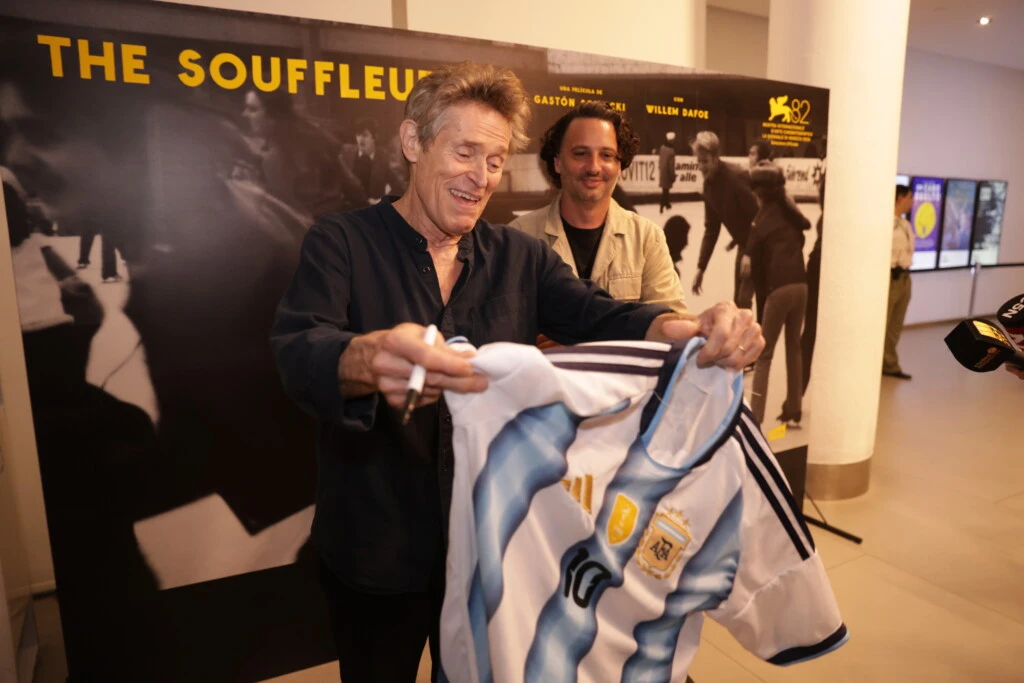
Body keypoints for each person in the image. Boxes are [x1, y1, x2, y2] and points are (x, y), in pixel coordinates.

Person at [269, 62, 763, 683]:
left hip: (494, 550)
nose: (481, 178)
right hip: (379, 551)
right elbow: (299, 349)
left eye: (496, 160)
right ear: (413, 142)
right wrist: (364, 358)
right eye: (465, 153)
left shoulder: (520, 257)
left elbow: (602, 314)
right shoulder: (340, 243)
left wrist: (690, 329)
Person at [510, 102, 686, 314]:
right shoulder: (519, 236)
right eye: (580, 153)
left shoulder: (647, 238)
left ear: (620, 165)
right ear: (557, 162)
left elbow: (671, 321)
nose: (593, 167)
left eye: (607, 155)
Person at [741, 161, 810, 427]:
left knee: (764, 354)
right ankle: (794, 410)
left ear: (757, 191)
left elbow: (755, 269)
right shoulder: (789, 212)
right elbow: (802, 237)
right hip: (801, 285)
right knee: (794, 348)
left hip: (779, 290)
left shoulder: (760, 221)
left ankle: (755, 418)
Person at [691, 131, 758, 308]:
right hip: (746, 244)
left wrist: (750, 253)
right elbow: (711, 229)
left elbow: (759, 215)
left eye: (705, 161)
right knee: (740, 302)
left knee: (758, 300)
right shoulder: (708, 187)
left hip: (764, 242)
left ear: (715, 158)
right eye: (698, 161)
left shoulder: (735, 178)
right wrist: (701, 268)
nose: (701, 167)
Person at [884, 184, 914, 379]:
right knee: (883, 323)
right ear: (899, 197)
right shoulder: (886, 223)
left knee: (895, 325)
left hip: (904, 277)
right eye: (909, 197)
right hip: (890, 278)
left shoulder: (905, 224)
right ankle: (875, 363)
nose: (912, 202)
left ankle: (889, 363)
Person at [658, 131, 676, 213]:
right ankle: (663, 205)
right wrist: (672, 175)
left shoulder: (662, 148)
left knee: (665, 190)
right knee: (665, 190)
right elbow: (671, 165)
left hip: (662, 172)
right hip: (668, 173)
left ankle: (667, 204)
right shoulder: (671, 151)